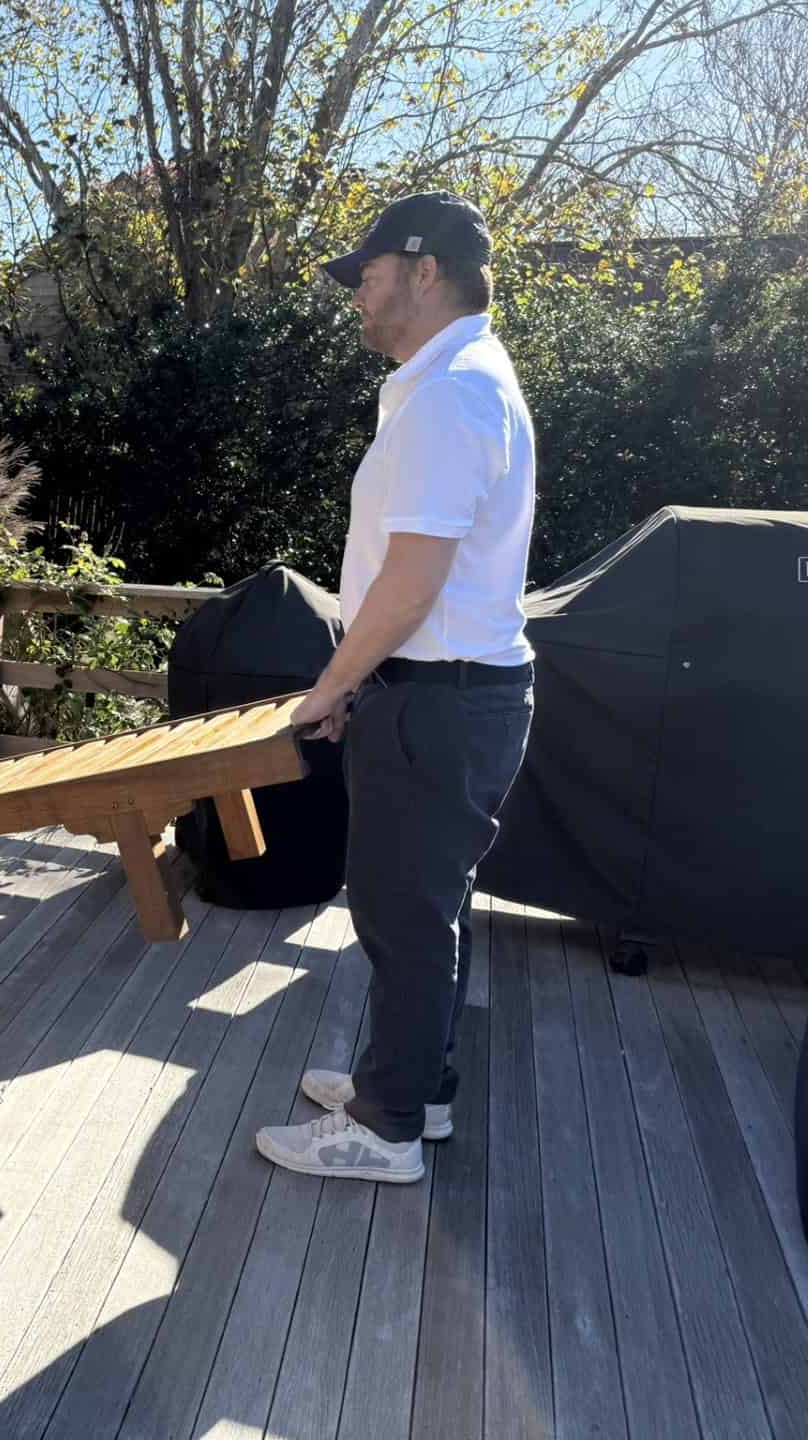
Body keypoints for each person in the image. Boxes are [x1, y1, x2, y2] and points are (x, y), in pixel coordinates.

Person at [255, 192, 536, 1184]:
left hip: (437, 698)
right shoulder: (451, 384)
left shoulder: (454, 395)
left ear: (426, 271)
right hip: (449, 695)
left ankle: (386, 1130)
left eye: (367, 277)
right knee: (420, 908)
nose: (358, 298)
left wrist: (328, 689)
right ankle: (418, 1086)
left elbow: (411, 584)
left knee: (402, 915)